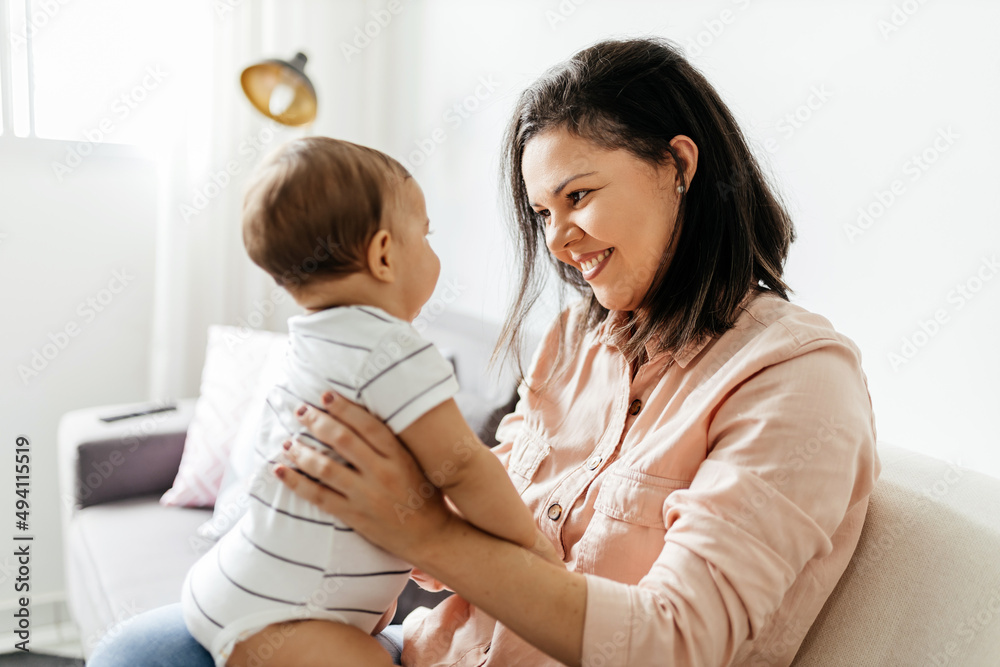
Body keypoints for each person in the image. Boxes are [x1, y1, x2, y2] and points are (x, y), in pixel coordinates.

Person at [88, 37, 879, 667]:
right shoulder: (576, 340)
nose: (558, 240)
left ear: (678, 164)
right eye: (541, 212)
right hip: (436, 649)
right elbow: (485, 512)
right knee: (137, 650)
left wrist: (422, 526)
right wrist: (367, 486)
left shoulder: (795, 379)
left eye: (579, 195)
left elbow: (672, 644)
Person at [187, 137, 556, 667]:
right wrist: (532, 548)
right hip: (285, 620)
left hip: (233, 584)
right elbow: (463, 468)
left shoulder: (311, 339)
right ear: (384, 254)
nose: (432, 252)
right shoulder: (394, 348)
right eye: (425, 236)